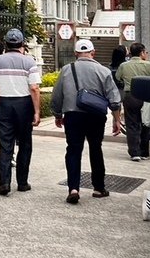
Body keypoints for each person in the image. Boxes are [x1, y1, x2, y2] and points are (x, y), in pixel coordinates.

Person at [51, 39, 123, 204]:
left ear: (75, 54)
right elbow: (114, 98)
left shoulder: (67, 69)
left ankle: (74, 188)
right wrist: (117, 119)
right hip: (96, 115)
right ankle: (98, 188)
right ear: (93, 52)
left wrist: (57, 114)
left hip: (73, 115)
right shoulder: (103, 70)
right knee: (96, 148)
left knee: (73, 150)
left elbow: (57, 95)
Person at [0, 28, 41, 196]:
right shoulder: (29, 62)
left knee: (5, 144)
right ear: (22, 44)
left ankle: (4, 183)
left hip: (4, 104)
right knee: (25, 143)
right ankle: (22, 183)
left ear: (6, 44)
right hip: (24, 104)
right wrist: (37, 111)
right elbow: (34, 88)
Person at [116, 42, 150, 161]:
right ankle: (144, 151)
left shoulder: (123, 65)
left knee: (132, 124)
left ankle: (134, 153)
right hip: (146, 97)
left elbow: (117, 77)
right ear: (142, 52)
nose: (146, 54)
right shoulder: (149, 65)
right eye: (146, 52)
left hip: (130, 96)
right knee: (146, 123)